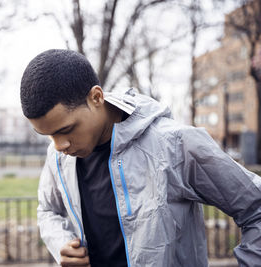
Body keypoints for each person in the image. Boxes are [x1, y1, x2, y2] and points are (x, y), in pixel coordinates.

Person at [19, 49, 261, 267]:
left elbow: (255, 208)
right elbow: (48, 210)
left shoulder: (175, 144)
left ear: (96, 98)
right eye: (48, 135)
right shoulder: (58, 155)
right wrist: (61, 242)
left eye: (66, 130)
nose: (59, 145)